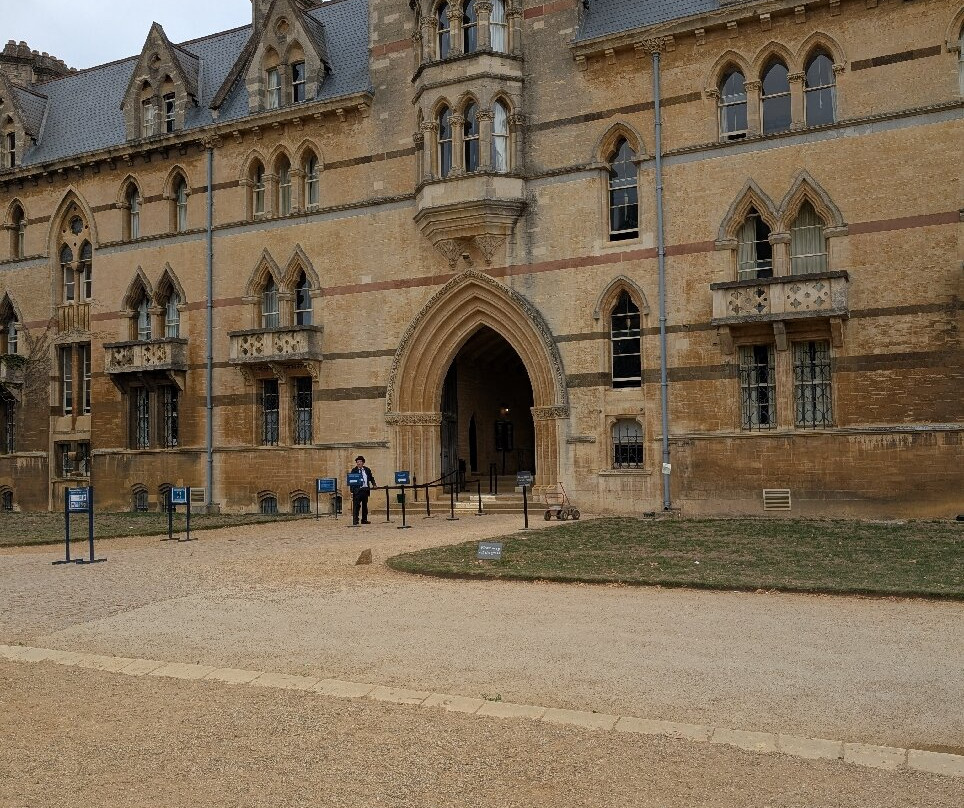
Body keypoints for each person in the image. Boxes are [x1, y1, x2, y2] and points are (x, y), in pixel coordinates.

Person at [348, 455, 376, 525]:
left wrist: (374, 484)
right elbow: (351, 481)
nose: (358, 463)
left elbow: (371, 478)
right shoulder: (354, 470)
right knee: (356, 506)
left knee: (364, 506)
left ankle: (364, 519)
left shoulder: (367, 470)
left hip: (365, 490)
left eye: (360, 461)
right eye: (357, 462)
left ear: (363, 462)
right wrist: (352, 491)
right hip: (358, 490)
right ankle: (355, 520)